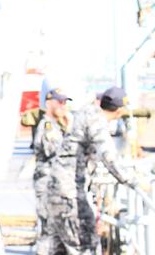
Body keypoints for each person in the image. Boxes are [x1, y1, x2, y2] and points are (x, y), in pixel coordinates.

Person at [37, 86, 136, 255]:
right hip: (68, 193)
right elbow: (108, 155)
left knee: (58, 247)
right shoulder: (96, 121)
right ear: (119, 111)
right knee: (86, 245)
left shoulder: (86, 113)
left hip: (58, 190)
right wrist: (132, 180)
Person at [32, 88, 73, 255]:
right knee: (48, 231)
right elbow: (58, 152)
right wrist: (70, 129)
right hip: (48, 185)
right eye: (60, 102)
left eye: (65, 102)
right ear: (49, 103)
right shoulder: (48, 126)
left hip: (55, 185)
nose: (64, 106)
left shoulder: (56, 125)